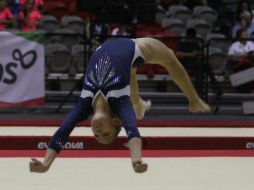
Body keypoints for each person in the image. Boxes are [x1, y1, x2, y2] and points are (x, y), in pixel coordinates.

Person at [29, 37, 211, 174]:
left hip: (110, 50)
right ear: (116, 122)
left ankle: (139, 105)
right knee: (170, 58)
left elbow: (62, 133)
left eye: (96, 134)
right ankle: (193, 101)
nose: (99, 131)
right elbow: (132, 131)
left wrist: (46, 164)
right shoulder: (120, 103)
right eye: (106, 134)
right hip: (136, 47)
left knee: (130, 73)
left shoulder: (84, 106)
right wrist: (136, 160)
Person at [176, 28, 222, 98]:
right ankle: (199, 89)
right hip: (186, 63)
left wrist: (200, 54)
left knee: (207, 65)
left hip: (196, 62)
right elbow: (178, 54)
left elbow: (201, 53)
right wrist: (191, 54)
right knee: (199, 65)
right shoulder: (182, 43)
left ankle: (216, 88)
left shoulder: (196, 44)